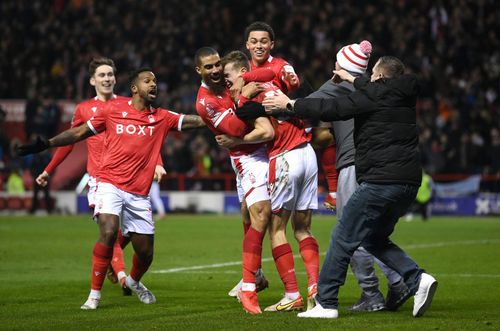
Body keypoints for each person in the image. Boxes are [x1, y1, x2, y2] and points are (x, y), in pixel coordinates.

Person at [262, 56, 438, 318]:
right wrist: (351, 77)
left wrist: (289, 104)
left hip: (380, 180)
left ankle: (326, 302)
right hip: (407, 184)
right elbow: (369, 87)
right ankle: (416, 279)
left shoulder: (371, 96)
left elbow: (331, 108)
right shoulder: (402, 95)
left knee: (343, 236)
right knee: (372, 238)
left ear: (377, 77)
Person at [18, 67, 206, 310]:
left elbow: (198, 121)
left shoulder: (162, 117)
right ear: (134, 88)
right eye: (148, 81)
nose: (153, 85)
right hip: (109, 182)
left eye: (155, 81)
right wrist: (47, 143)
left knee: (146, 253)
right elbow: (80, 132)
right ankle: (94, 295)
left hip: (139, 192)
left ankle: (134, 281)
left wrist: (228, 114)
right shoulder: (112, 111)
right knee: (108, 230)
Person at [306, 41, 408, 312]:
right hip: (378, 167)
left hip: (352, 165)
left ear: (343, 67)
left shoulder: (335, 86)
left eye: (337, 63)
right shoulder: (375, 88)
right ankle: (399, 281)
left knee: (349, 232)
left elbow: (303, 108)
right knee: (371, 232)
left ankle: (371, 293)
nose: (333, 68)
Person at [217, 50, 320, 312]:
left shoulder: (249, 95)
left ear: (242, 74)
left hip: (285, 157)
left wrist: (237, 140)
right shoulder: (271, 83)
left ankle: (292, 293)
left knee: (275, 229)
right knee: (303, 229)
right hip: (308, 155)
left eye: (229, 77)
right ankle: (315, 286)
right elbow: (271, 72)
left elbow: (266, 131)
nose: (226, 83)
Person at [35, 58, 145, 295]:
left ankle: (110, 263)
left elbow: (146, 134)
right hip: (100, 179)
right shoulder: (84, 109)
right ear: (92, 80)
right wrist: (48, 170)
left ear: (115, 79)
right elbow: (70, 142)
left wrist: (157, 163)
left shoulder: (128, 104)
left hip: (128, 179)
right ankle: (124, 278)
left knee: (132, 232)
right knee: (109, 231)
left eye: (110, 75)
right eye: (102, 75)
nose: (107, 79)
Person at [194, 47, 274, 315]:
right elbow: (237, 130)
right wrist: (242, 97)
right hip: (248, 157)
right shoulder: (205, 102)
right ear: (199, 71)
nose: (215, 70)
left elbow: (267, 72)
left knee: (250, 216)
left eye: (218, 65)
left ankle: (256, 276)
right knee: (261, 215)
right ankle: (249, 287)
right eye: (209, 68)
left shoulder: (228, 82)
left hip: (258, 151)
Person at [245, 21, 338, 211]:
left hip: (285, 137)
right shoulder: (242, 70)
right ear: (247, 45)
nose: (259, 46)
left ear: (272, 44)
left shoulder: (281, 65)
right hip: (258, 142)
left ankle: (334, 193)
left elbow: (291, 79)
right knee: (255, 215)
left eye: (263, 41)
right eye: (254, 42)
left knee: (329, 136)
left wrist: (293, 81)